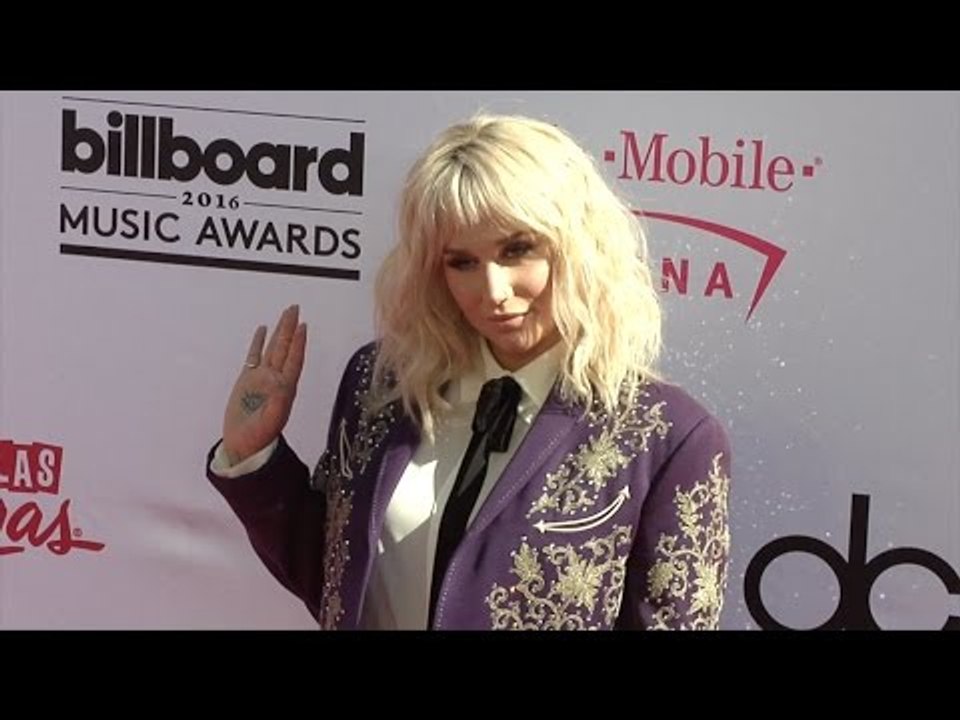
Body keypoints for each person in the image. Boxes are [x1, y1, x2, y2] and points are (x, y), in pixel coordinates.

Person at [207, 113, 732, 630]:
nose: (494, 291)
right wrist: (255, 455)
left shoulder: (667, 436)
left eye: (518, 249)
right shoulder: (384, 381)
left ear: (577, 248)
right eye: (462, 262)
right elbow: (338, 582)